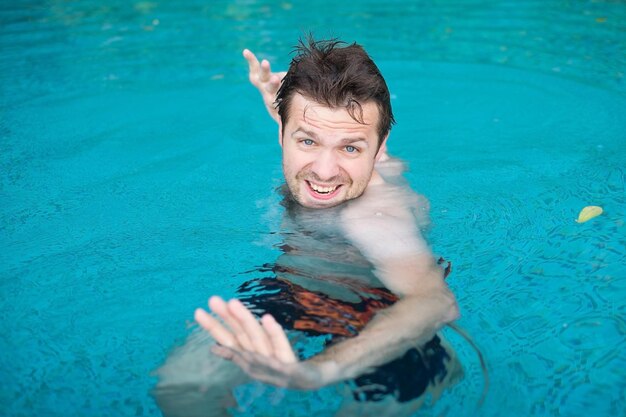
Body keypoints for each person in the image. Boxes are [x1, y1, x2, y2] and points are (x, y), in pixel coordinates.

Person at [155, 37, 460, 415]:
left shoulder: (373, 216)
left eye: (350, 148)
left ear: (379, 150)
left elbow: (435, 302)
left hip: (375, 315)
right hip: (293, 292)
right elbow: (316, 125)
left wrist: (317, 372)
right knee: (182, 386)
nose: (324, 171)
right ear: (282, 133)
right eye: (308, 140)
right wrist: (276, 100)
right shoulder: (310, 129)